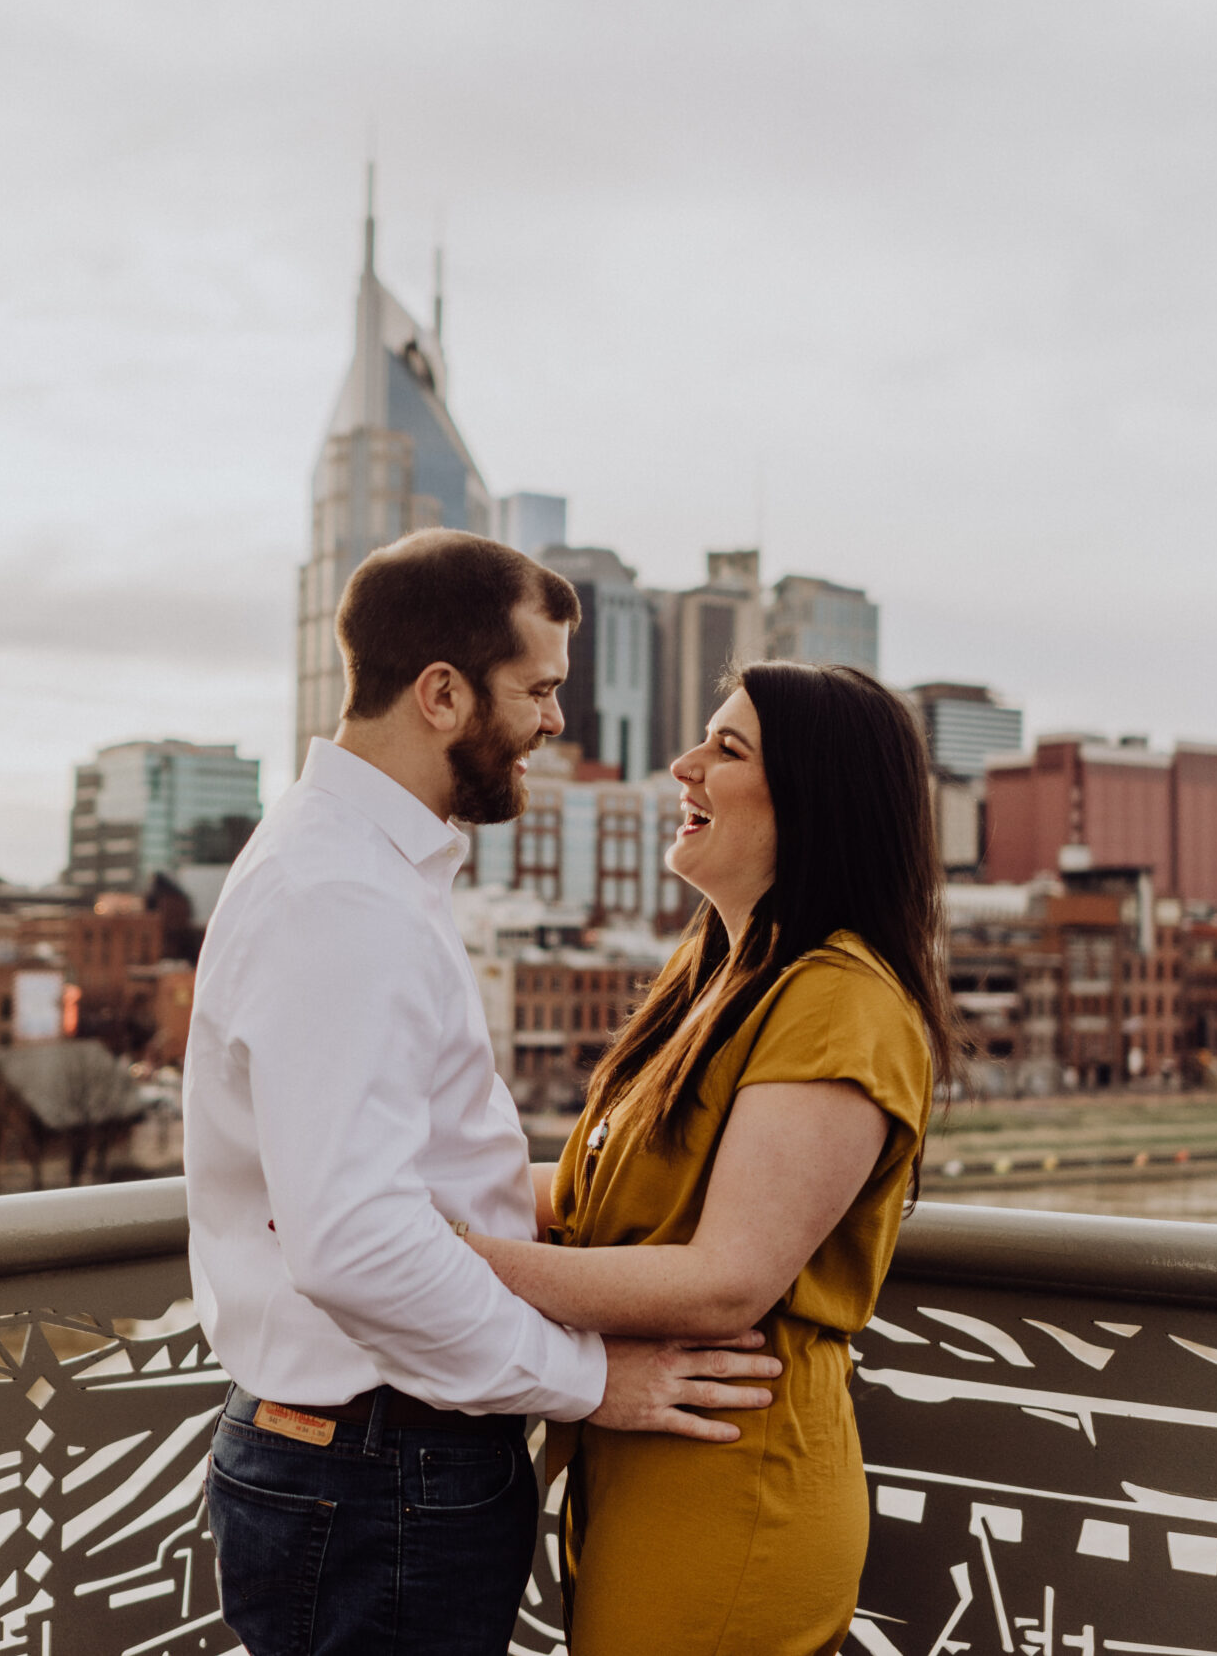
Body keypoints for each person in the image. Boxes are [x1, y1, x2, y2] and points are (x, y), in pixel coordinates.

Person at [184, 529, 785, 1656]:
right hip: (376, 1472)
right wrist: (586, 1377)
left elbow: (406, 1180)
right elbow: (356, 1241)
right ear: (442, 692)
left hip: (368, 1465)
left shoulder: (349, 865)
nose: (557, 721)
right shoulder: (341, 897)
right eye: (540, 688)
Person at [462, 661, 953, 1656]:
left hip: (735, 1480)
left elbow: (726, 1276)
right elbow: (601, 1199)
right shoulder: (720, 976)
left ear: (817, 798)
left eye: (727, 750)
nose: (683, 765)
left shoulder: (838, 999)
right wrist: (382, 1190)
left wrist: (441, 1256)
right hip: (646, 1464)